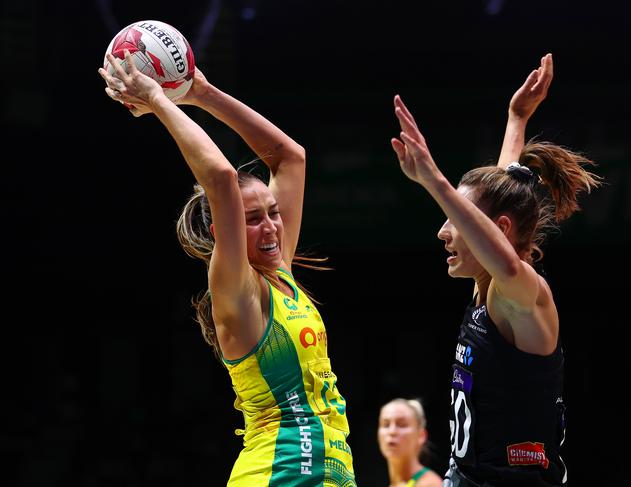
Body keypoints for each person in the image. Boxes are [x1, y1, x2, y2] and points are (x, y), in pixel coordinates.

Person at [99, 50, 356, 486]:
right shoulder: (240, 288)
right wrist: (159, 100)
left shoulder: (281, 275)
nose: (273, 226)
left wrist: (200, 92)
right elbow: (219, 176)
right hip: (280, 471)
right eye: (253, 219)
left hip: (329, 469)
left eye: (273, 212)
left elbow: (290, 157)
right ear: (226, 231)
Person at [390, 53, 602, 486]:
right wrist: (516, 118)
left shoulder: (523, 294)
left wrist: (435, 181)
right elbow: (501, 191)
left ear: (498, 231)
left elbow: (502, 253)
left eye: (457, 218)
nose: (443, 232)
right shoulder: (485, 284)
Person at [378, 398, 443, 487]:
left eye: (402, 425)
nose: (392, 431)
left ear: (421, 435)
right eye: (386, 425)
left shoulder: (430, 484)